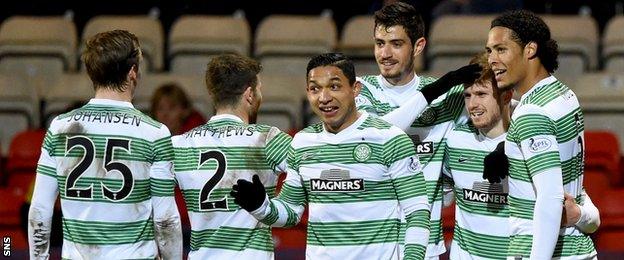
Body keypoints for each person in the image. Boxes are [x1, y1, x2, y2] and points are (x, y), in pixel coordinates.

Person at [231, 53, 431, 259]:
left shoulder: (390, 139)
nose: (324, 98)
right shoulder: (302, 142)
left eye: (334, 86)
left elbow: (417, 212)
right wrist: (260, 206)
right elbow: (290, 212)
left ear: (355, 89)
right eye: (315, 89)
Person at [27, 30, 182, 259]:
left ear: (92, 73)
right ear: (132, 72)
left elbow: (39, 211)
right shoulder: (155, 134)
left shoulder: (60, 128)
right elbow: (165, 218)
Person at [442, 53, 600, 259]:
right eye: (468, 95)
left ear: (506, 96)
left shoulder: (534, 141)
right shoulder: (454, 141)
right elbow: (439, 200)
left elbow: (593, 220)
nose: (472, 105)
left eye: (481, 94)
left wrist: (577, 214)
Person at [356, 2, 481, 258]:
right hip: (370, 246)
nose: (385, 53)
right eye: (380, 43)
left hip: (424, 246)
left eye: (396, 44)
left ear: (419, 46)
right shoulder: (360, 89)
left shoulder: (447, 97)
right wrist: (434, 91)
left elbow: (499, 110)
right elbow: (377, 135)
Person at [484, 10, 597, 259]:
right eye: (489, 50)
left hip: (541, 250)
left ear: (530, 50)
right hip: (576, 248)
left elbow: (550, 197)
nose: (491, 59)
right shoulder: (564, 94)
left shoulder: (532, 113)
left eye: (501, 49)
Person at [170, 53, 292, 259]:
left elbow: (157, 210)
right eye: (259, 89)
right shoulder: (268, 139)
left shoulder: (179, 144)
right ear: (249, 94)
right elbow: (317, 174)